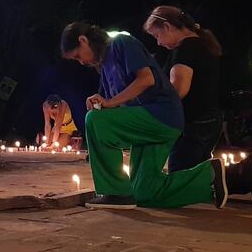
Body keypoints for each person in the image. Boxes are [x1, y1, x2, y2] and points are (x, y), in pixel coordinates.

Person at [60, 22, 227, 209]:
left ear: (83, 41)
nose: (81, 62)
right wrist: (101, 103)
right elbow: (114, 106)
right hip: (146, 127)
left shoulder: (121, 43)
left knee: (94, 121)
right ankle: (208, 177)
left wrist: (110, 103)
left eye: (77, 56)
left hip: (162, 116)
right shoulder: (105, 67)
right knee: (145, 193)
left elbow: (147, 79)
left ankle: (115, 192)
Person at [143, 6, 223, 171]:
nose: (158, 42)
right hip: (211, 120)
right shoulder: (205, 44)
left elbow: (178, 89)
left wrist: (150, 99)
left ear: (167, 27)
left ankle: (242, 175)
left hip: (193, 125)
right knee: (197, 173)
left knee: (180, 179)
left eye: (157, 35)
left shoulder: (185, 49)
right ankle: (245, 176)